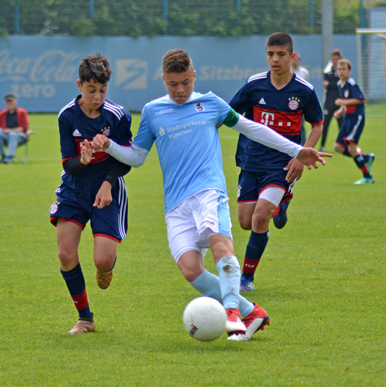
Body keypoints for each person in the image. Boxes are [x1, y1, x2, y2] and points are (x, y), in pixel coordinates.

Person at [93, 49, 330, 341]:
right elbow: (137, 156)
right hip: (176, 205)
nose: (180, 90)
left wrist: (296, 150)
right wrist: (109, 146)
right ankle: (252, 312)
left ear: (194, 76)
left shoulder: (211, 103)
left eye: (185, 82)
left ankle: (231, 312)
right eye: (173, 84)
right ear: (163, 80)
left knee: (221, 246)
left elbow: (252, 128)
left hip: (208, 192)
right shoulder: (153, 111)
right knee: (191, 269)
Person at [230, 32, 324, 293]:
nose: (275, 59)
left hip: (281, 166)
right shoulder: (254, 84)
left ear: (292, 57)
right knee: (246, 222)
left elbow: (317, 124)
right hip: (252, 162)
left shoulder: (304, 91)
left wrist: (301, 156)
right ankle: (282, 204)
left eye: (281, 54)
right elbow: (230, 112)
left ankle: (246, 278)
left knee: (260, 218)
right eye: (270, 54)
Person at [49, 53, 132, 335]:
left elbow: (126, 158)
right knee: (65, 253)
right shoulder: (67, 116)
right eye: (91, 90)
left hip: (107, 188)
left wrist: (108, 183)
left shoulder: (117, 115)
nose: (97, 97)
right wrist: (82, 161)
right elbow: (67, 165)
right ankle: (85, 318)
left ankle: (106, 266)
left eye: (103, 90)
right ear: (79, 85)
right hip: (74, 188)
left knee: (103, 260)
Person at [333, 58, 375, 184]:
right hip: (347, 118)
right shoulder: (339, 84)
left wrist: (343, 102)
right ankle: (365, 158)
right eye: (339, 69)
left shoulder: (351, 84)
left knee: (351, 148)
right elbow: (346, 100)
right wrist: (341, 109)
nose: (341, 72)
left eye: (343, 69)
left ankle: (367, 177)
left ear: (349, 71)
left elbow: (360, 99)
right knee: (338, 147)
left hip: (357, 118)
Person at [0, 93, 30, 164]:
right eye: (8, 101)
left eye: (11, 101)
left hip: (19, 136)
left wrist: (11, 131)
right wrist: (3, 131)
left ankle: (9, 157)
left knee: (13, 134)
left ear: (16, 101)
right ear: (5, 103)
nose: (10, 103)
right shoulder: (2, 113)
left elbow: (24, 128)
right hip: (5, 136)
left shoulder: (22, 112)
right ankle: (2, 155)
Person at [320, 49, 344, 151]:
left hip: (340, 102)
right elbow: (325, 85)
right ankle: (322, 146)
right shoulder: (327, 71)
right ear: (331, 59)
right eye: (333, 59)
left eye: (337, 59)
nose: (335, 61)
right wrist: (330, 85)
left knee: (342, 124)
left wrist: (330, 84)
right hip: (329, 102)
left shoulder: (342, 71)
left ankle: (343, 145)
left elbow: (340, 85)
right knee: (325, 125)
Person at [291, 52, 310, 145]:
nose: (295, 61)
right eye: (293, 59)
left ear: (299, 61)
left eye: (296, 59)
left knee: (301, 124)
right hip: (289, 101)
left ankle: (303, 145)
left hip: (301, 101)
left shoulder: (304, 72)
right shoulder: (288, 71)